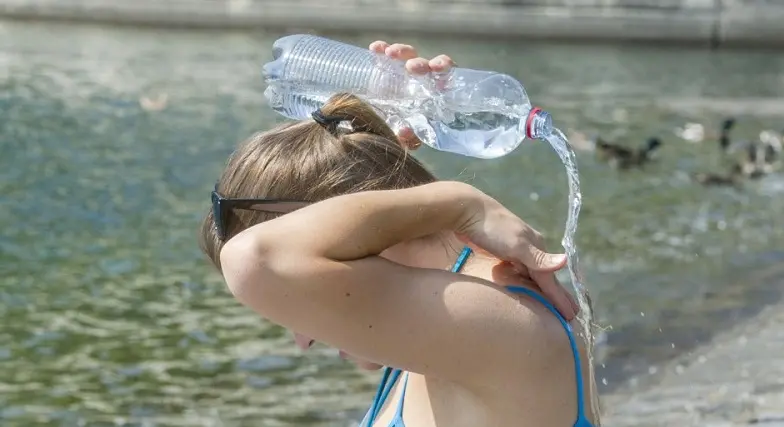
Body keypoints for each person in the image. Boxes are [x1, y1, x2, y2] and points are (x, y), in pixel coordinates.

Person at [199, 40, 599, 427]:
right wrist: (396, 151)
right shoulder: (442, 330)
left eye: (285, 302)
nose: (303, 340)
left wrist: (461, 203)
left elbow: (255, 259)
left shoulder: (506, 321)